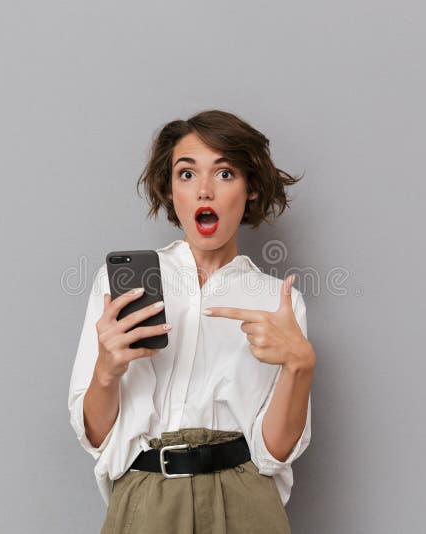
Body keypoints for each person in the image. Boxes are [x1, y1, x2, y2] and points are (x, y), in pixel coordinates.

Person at [68, 109, 315, 533]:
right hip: (146, 497)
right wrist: (107, 371)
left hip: (244, 500)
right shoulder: (117, 287)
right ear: (169, 189)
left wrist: (300, 367)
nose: (204, 190)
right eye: (186, 174)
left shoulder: (279, 302)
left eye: (224, 174)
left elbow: (273, 452)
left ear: (251, 188)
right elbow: (95, 436)